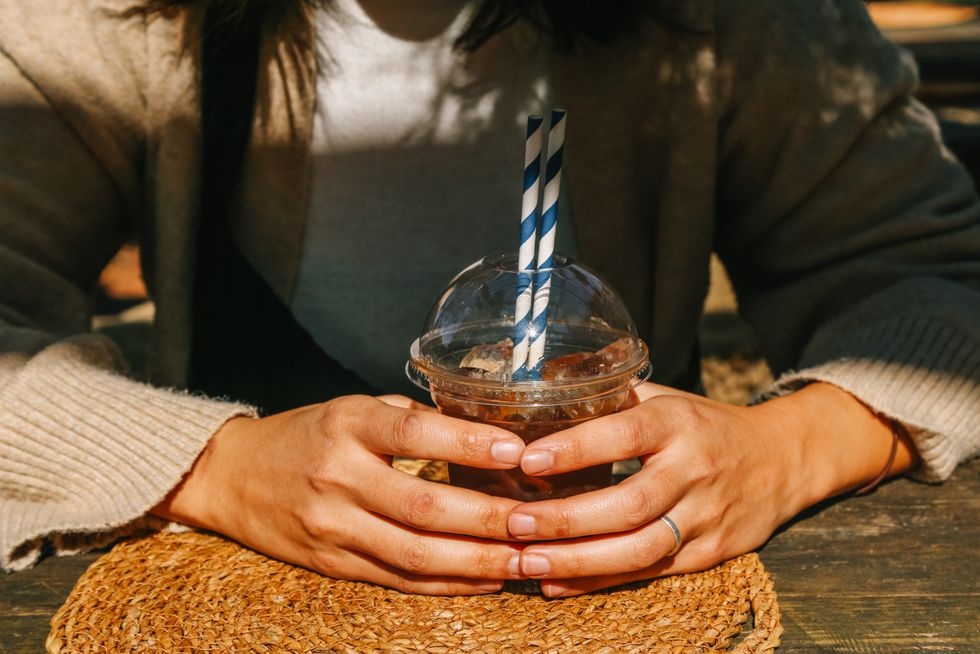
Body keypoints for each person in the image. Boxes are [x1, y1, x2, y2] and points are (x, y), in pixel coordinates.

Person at [1, 0, 978, 599]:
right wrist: (212, 468)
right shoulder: (116, 19)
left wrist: (787, 450)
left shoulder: (736, 19)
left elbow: (932, 279)